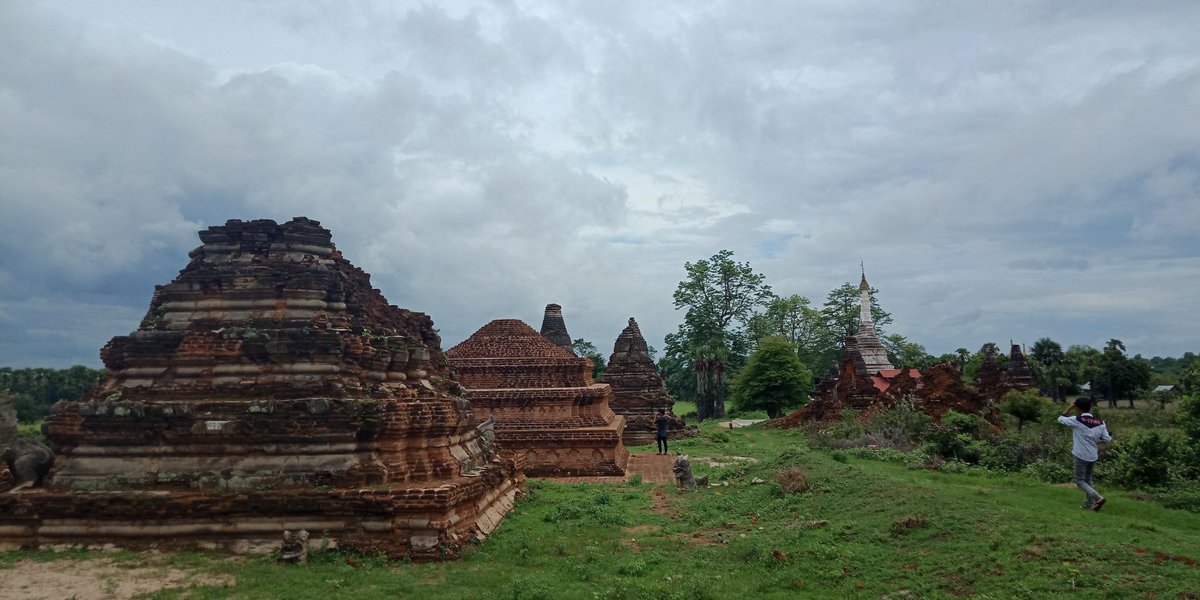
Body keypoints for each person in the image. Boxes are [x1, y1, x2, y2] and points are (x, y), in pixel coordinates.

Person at [1058, 398, 1113, 511]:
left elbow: (1060, 419)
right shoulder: (1100, 422)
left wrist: (1069, 407)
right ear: (1090, 408)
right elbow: (1107, 439)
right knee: (1088, 479)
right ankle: (1089, 504)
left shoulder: (1076, 420)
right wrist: (1095, 439)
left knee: (1079, 481)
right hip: (1093, 455)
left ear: (1078, 408)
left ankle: (1098, 498)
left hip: (1081, 455)